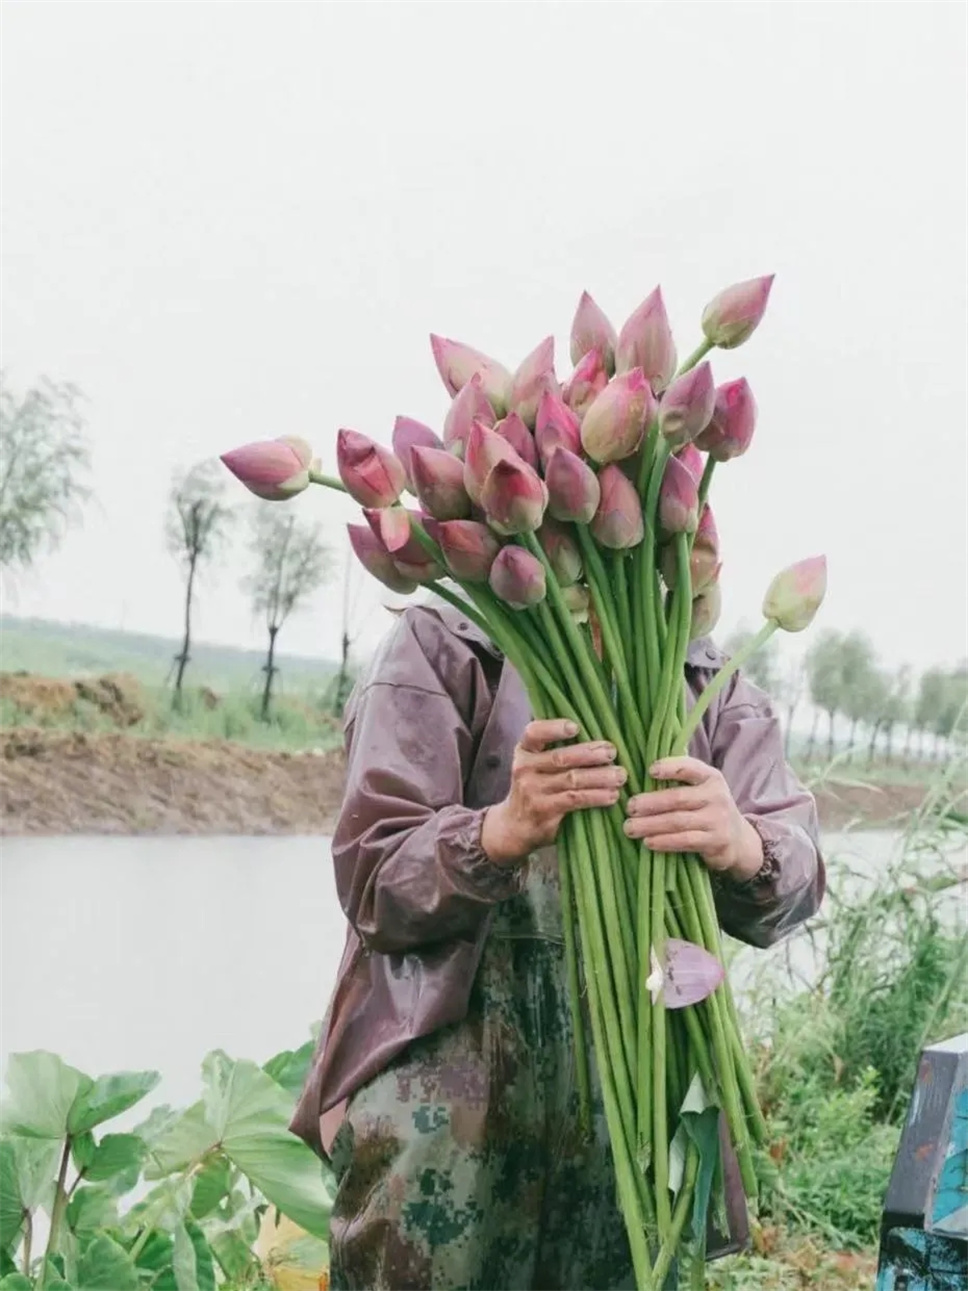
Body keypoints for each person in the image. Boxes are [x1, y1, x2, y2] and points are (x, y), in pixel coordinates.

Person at [291, 599, 825, 1291]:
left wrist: (743, 844)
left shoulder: (706, 676)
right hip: (444, 1148)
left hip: (633, 1136)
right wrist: (499, 830)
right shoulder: (445, 641)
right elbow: (373, 879)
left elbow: (798, 877)